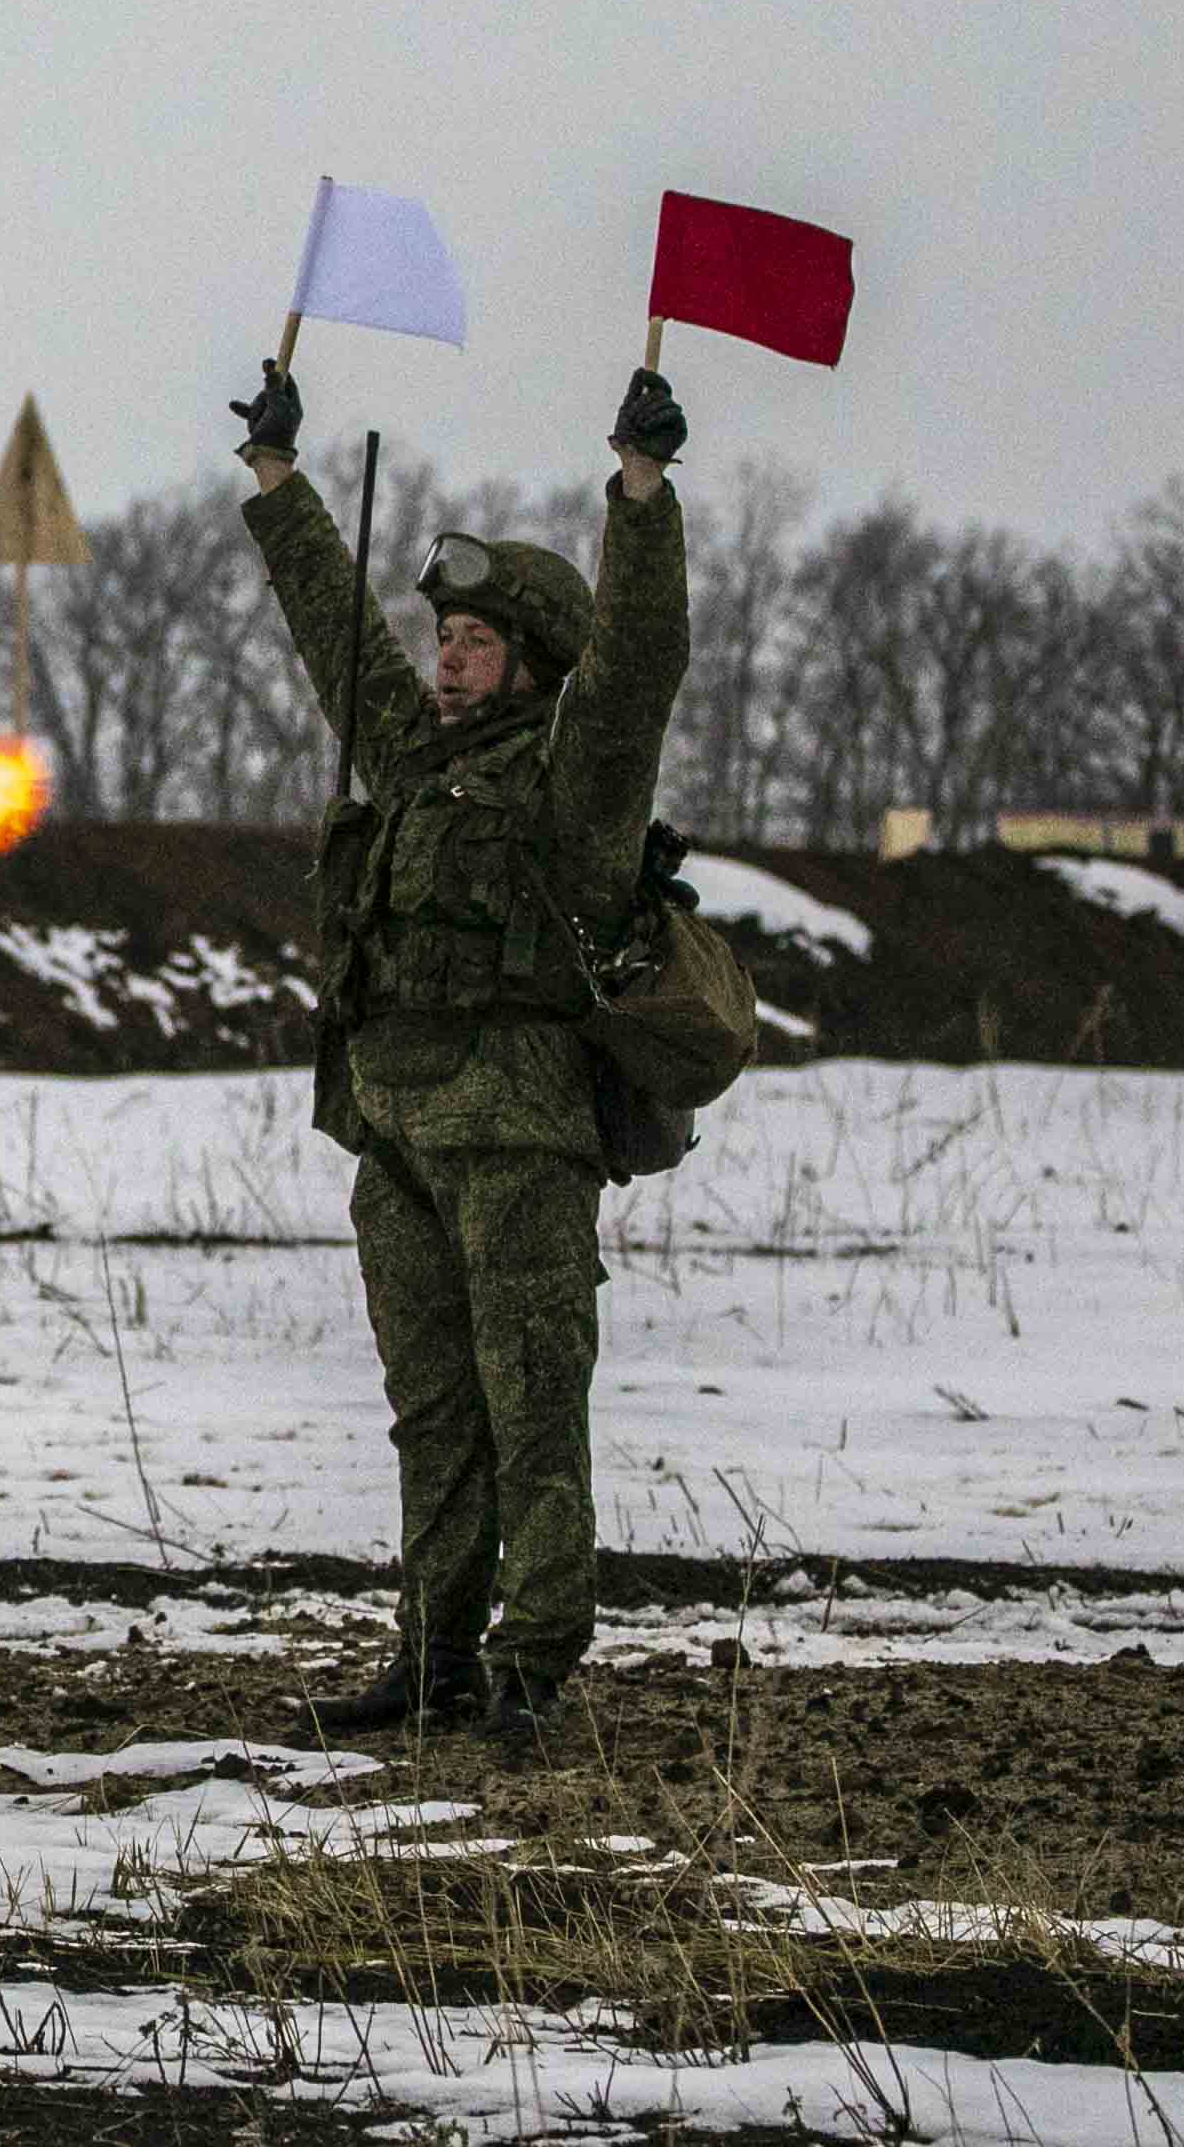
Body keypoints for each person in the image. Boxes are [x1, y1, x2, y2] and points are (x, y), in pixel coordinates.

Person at [230, 355, 690, 1750]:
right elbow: (335, 635)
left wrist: (641, 492)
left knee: (530, 1398)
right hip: (397, 1133)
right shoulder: (412, 758)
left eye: (474, 642)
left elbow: (641, 660)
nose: (444, 657)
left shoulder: (575, 774)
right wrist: (275, 484)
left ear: (535, 665)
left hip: (517, 1133)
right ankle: (430, 1651)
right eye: (443, 638)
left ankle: (533, 1658)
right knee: (432, 1410)